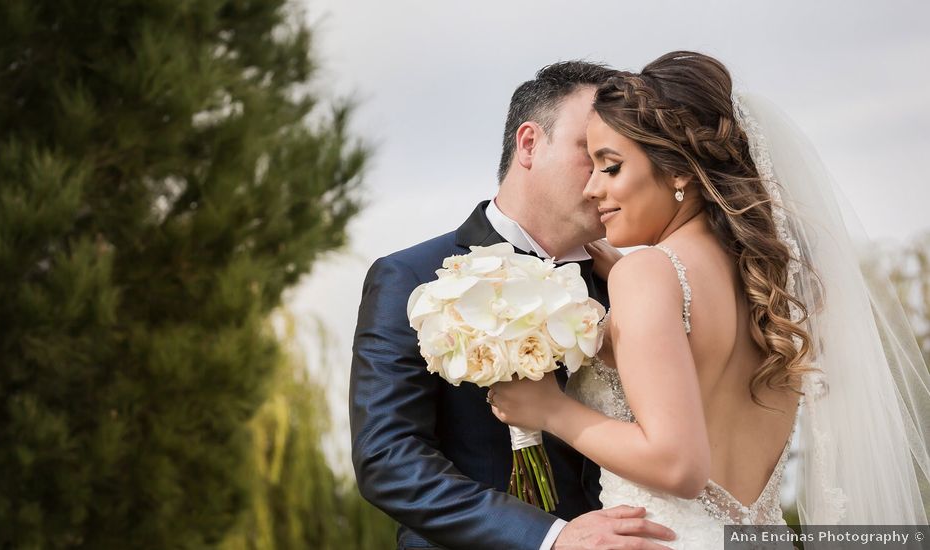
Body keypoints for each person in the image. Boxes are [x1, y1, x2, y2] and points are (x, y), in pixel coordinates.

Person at [490, 51, 930, 548]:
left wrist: (549, 410)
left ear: (679, 171)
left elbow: (679, 466)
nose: (592, 188)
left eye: (610, 167)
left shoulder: (648, 274)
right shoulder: (775, 283)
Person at [349, 61, 676, 550]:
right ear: (528, 144)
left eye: (622, 159)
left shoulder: (636, 288)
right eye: (593, 153)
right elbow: (388, 458)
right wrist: (550, 539)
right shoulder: (412, 276)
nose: (609, 178)